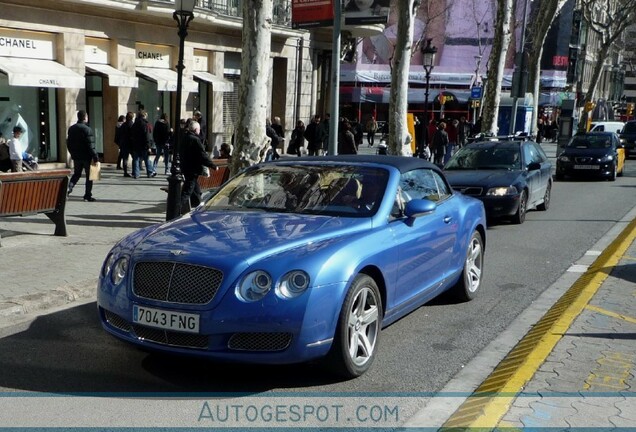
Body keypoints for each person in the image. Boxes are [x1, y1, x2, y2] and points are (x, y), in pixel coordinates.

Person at [180, 120, 217, 213]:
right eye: (199, 130)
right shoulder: (195, 140)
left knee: (196, 190)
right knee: (187, 191)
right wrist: (213, 165)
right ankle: (176, 210)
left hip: (185, 167)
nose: (200, 131)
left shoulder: (184, 137)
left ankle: (197, 207)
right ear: (196, 129)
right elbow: (203, 155)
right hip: (193, 169)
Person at [67, 110, 99, 201]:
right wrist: (95, 156)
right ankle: (87, 195)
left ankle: (68, 189)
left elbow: (68, 143)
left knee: (76, 174)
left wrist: (72, 153)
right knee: (90, 176)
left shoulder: (72, 128)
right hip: (87, 157)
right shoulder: (87, 129)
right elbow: (91, 145)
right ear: (85, 117)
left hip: (76, 156)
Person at [131, 110, 156, 178]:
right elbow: (147, 136)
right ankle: (149, 172)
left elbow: (132, 135)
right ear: (144, 116)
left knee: (136, 159)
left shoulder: (134, 124)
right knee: (146, 159)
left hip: (136, 144)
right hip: (144, 145)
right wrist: (149, 146)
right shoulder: (145, 124)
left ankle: (136, 174)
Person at [118, 112, 134, 177]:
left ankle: (125, 172)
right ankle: (134, 171)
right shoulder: (131, 124)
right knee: (135, 158)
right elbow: (133, 134)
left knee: (125, 158)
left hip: (123, 143)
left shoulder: (123, 125)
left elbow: (120, 134)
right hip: (130, 144)